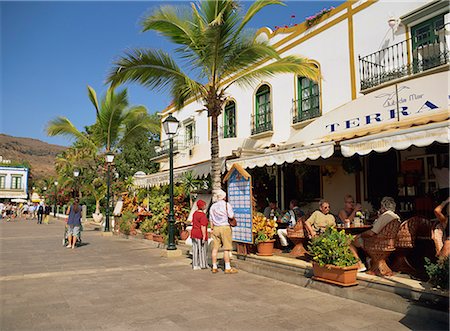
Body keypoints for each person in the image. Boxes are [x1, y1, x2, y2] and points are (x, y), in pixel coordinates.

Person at [349, 196, 400, 271]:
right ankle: (369, 260)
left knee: (349, 241)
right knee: (357, 238)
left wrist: (360, 234)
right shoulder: (396, 217)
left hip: (378, 244)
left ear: (383, 206)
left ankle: (359, 264)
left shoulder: (385, 216)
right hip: (389, 243)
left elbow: (371, 233)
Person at [209, 189, 238, 274]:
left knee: (215, 248)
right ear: (224, 197)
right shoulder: (226, 205)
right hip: (225, 227)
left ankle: (214, 267)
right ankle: (227, 267)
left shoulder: (213, 206)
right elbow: (231, 215)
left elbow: (210, 219)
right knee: (226, 248)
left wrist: (212, 228)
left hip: (215, 228)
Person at [191, 199, 209, 270]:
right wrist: (204, 236)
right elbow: (203, 226)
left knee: (195, 249)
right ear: (202, 206)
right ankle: (203, 264)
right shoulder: (203, 215)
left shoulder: (195, 213)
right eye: (204, 205)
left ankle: (195, 264)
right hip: (199, 234)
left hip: (194, 233)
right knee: (202, 249)